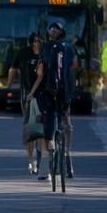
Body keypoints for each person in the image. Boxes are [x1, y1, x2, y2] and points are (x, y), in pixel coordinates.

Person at [30, 21, 76, 180]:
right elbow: (74, 69)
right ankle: (67, 158)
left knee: (47, 128)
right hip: (65, 92)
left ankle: (45, 168)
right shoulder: (69, 48)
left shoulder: (45, 48)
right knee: (66, 122)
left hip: (48, 92)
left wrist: (33, 92)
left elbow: (40, 73)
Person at [9, 32, 46, 174]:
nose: (38, 43)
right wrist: (9, 83)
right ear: (32, 42)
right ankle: (31, 160)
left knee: (42, 128)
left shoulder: (46, 54)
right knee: (30, 127)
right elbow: (13, 69)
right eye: (36, 41)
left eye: (40, 41)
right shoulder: (23, 53)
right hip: (28, 95)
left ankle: (41, 156)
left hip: (43, 94)